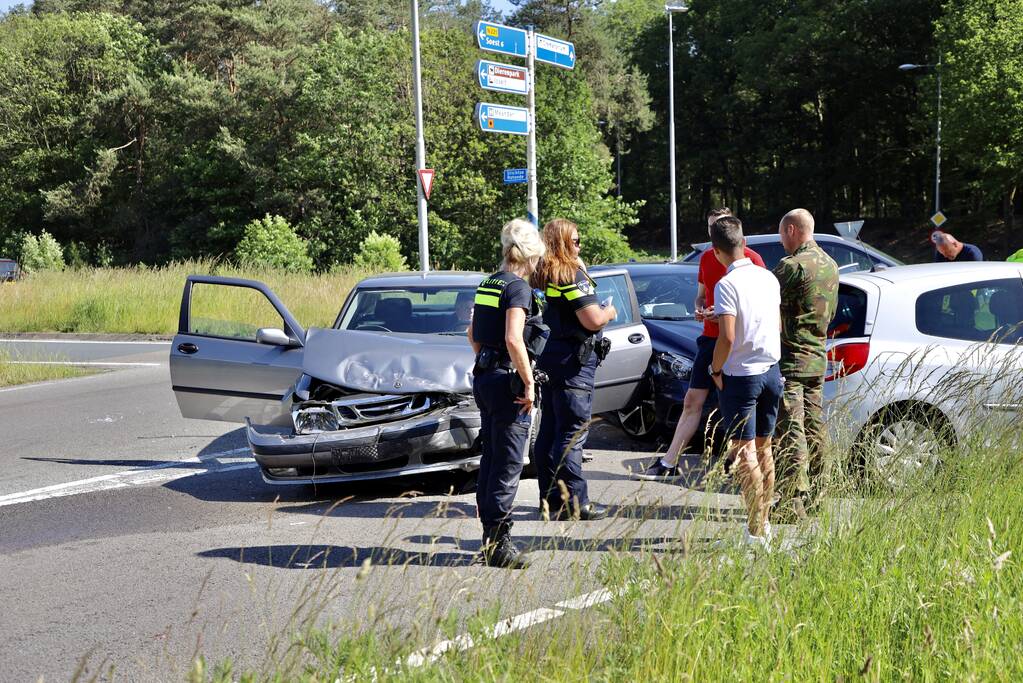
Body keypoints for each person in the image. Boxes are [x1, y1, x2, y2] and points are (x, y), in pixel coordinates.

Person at [636, 208, 766, 481]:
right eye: (710, 228)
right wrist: (700, 309)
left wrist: (724, 316)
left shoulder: (752, 259)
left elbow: (758, 306)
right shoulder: (706, 258)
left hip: (737, 342)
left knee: (735, 405)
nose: (713, 232)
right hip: (709, 339)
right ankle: (669, 463)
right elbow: (701, 296)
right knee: (692, 400)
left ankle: (736, 462)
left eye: (718, 226)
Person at [467, 218, 548, 568]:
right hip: (506, 383)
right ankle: (499, 545)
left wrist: (488, 359)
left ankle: (489, 538)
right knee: (509, 461)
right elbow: (514, 338)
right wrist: (528, 382)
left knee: (491, 458)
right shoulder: (518, 288)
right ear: (530, 256)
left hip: (485, 377)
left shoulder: (489, 283)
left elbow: (472, 333)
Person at [533, 219, 617, 520]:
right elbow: (592, 320)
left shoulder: (544, 273)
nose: (580, 246)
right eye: (576, 241)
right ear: (564, 243)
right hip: (573, 365)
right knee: (572, 433)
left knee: (549, 431)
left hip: (551, 359)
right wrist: (609, 312)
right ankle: (577, 503)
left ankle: (551, 500)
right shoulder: (571, 275)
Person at [707, 216, 783, 548]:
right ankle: (765, 523)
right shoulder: (768, 277)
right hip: (771, 370)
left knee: (744, 452)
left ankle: (754, 531)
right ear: (745, 242)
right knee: (765, 449)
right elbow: (776, 324)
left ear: (715, 251)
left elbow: (726, 337)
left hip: (741, 376)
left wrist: (715, 369)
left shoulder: (726, 285)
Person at [773, 209, 839, 518]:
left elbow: (765, 305)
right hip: (817, 356)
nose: (781, 241)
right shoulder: (831, 264)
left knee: (791, 429)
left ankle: (791, 500)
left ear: (791, 230)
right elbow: (830, 313)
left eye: (781, 234)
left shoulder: (792, 266)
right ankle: (820, 495)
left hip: (792, 360)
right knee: (814, 427)